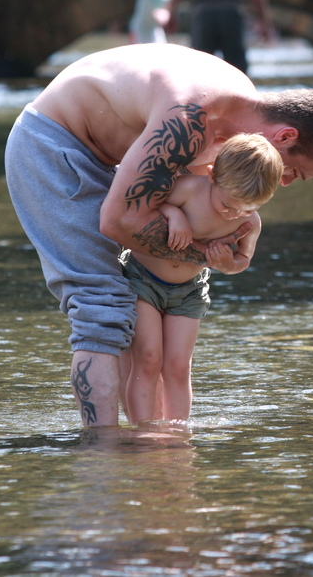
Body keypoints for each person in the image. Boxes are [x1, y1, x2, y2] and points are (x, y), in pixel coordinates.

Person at [3, 43, 313, 428]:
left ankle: (146, 441)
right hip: (54, 146)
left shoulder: (236, 110)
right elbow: (118, 222)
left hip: (106, 159)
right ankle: (102, 450)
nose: (283, 182)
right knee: (101, 302)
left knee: (128, 312)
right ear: (285, 137)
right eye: (293, 172)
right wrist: (212, 255)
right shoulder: (194, 117)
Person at [123, 134, 283, 424]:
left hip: (189, 292)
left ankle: (178, 432)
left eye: (249, 208)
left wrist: (228, 264)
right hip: (143, 280)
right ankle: (142, 430)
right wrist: (175, 215)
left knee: (178, 366)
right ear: (211, 175)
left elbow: (243, 260)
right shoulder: (188, 190)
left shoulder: (250, 222)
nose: (235, 213)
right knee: (148, 359)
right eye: (228, 204)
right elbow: (146, 208)